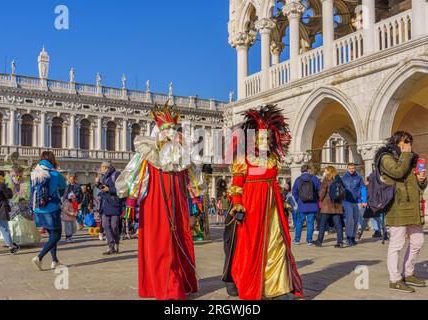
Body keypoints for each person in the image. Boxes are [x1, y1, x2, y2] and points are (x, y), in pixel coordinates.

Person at [115, 102, 203, 300]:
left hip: (178, 205)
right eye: (167, 130)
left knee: (179, 240)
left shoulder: (182, 157)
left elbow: (192, 178)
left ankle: (180, 281)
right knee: (160, 244)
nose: (171, 134)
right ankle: (167, 287)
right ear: (159, 133)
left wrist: (196, 199)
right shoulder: (148, 155)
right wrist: (130, 203)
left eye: (174, 130)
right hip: (156, 206)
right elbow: (135, 178)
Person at [222, 105, 303, 300]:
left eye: (268, 138)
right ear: (254, 138)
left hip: (272, 206)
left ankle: (279, 288)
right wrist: (237, 203)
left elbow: (274, 183)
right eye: (261, 137)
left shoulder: (273, 158)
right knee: (252, 247)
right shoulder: (244, 158)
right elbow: (236, 184)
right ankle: (250, 283)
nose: (265, 141)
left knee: (277, 244)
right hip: (251, 206)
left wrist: (282, 202)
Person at [375, 131, 428, 293]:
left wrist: (421, 180)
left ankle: (408, 272)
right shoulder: (385, 157)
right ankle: (395, 279)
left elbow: (419, 187)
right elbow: (397, 172)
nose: (409, 144)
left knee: (418, 241)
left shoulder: (411, 159)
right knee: (396, 245)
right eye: (406, 141)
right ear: (397, 142)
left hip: (413, 207)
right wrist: (406, 155)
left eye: (410, 141)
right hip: (396, 207)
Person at [30, 151, 67, 270]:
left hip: (39, 209)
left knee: (52, 235)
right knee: (57, 236)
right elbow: (63, 186)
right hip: (52, 209)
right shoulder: (55, 174)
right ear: (52, 160)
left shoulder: (34, 174)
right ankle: (39, 257)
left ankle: (55, 261)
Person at [0, 170, 19, 256]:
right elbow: (9, 195)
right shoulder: (1, 185)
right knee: (5, 229)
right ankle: (11, 247)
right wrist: (8, 188)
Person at [313, 166, 344, 248]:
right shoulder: (339, 179)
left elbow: (322, 193)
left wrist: (319, 199)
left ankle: (319, 241)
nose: (325, 171)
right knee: (338, 224)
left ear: (329, 171)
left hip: (327, 205)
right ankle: (340, 242)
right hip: (337, 205)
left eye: (326, 170)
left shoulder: (326, 180)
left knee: (322, 224)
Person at [97, 162, 122, 255]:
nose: (101, 169)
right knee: (105, 225)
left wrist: (110, 189)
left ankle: (116, 242)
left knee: (114, 226)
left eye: (101, 168)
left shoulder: (116, 175)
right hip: (105, 204)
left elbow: (121, 188)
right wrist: (98, 184)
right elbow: (103, 189)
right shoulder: (104, 176)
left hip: (114, 204)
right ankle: (110, 246)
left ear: (105, 167)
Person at [292, 164, 321, 245]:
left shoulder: (298, 179)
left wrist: (298, 200)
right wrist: (316, 199)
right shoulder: (314, 178)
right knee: (310, 222)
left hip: (302, 204)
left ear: (301, 170)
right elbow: (320, 190)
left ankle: (297, 240)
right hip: (312, 204)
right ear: (309, 170)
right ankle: (309, 240)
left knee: (299, 222)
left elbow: (294, 192)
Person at [341, 163, 365, 247]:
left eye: (353, 168)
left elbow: (363, 188)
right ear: (347, 168)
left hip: (356, 200)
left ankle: (353, 237)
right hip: (346, 201)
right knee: (349, 218)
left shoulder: (358, 177)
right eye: (350, 168)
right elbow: (340, 189)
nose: (352, 170)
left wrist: (364, 200)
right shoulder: (343, 178)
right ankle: (348, 237)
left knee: (356, 219)